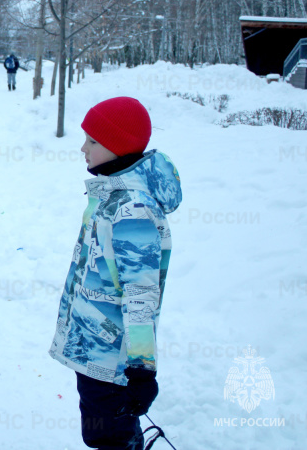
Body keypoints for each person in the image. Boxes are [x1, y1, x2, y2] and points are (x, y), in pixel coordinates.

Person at [48, 97, 182, 450]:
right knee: (105, 433)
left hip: (112, 358)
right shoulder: (111, 196)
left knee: (110, 438)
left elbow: (140, 293)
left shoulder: (132, 209)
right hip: (96, 350)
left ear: (118, 145)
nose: (82, 148)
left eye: (92, 141)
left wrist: (141, 368)